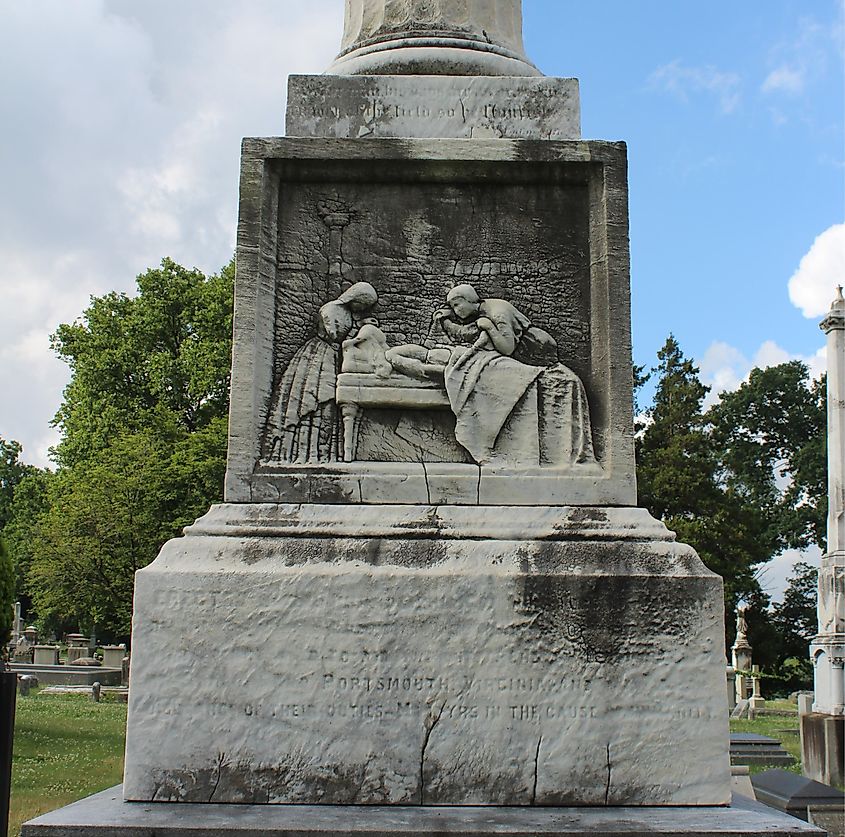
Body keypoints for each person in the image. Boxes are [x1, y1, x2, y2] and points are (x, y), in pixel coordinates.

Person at [265, 282, 379, 463]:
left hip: (333, 356)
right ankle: (298, 453)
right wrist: (359, 331)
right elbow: (333, 334)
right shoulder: (331, 308)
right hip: (319, 355)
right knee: (313, 398)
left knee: (328, 405)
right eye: (363, 304)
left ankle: (320, 453)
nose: (363, 308)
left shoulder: (348, 313)